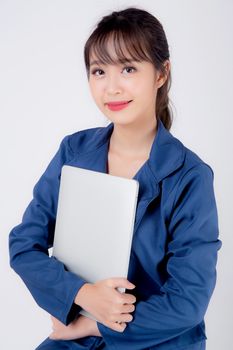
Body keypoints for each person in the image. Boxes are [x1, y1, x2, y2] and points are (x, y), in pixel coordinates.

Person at [8, 6, 222, 350]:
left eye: (128, 68)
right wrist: (81, 293)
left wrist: (94, 326)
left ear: (161, 74)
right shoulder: (73, 151)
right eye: (98, 71)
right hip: (75, 330)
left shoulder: (190, 176)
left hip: (157, 339)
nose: (111, 88)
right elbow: (24, 244)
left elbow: (188, 303)